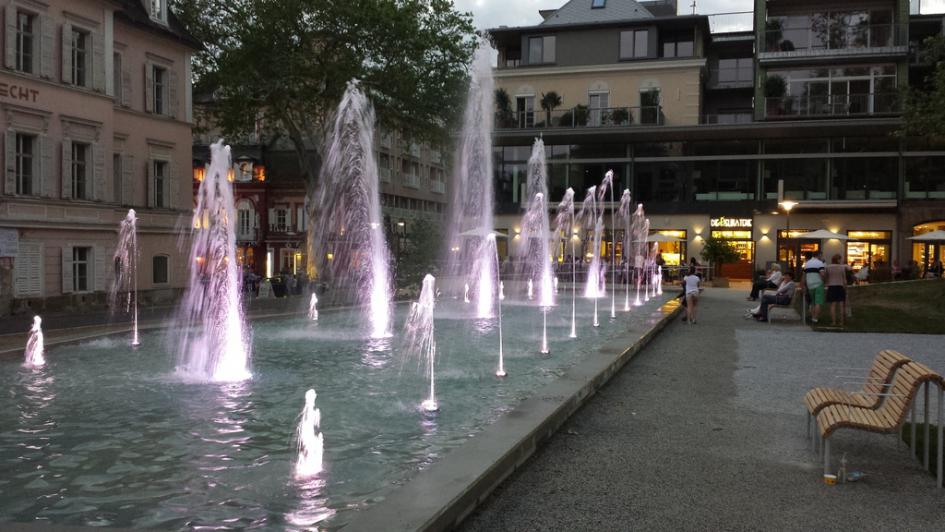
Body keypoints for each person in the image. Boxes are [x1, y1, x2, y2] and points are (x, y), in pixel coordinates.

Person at [825, 254, 851, 327]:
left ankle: (833, 322)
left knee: (833, 305)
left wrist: (826, 283)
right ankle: (841, 322)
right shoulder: (842, 267)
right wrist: (845, 287)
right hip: (840, 286)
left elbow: (826, 277)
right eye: (840, 259)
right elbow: (844, 279)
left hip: (831, 287)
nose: (841, 260)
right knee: (841, 305)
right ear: (838, 260)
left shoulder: (828, 267)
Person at [801, 251, 826, 323]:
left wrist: (803, 285)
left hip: (810, 285)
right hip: (818, 284)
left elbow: (804, 276)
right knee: (818, 302)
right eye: (821, 256)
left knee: (812, 302)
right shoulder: (819, 263)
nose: (822, 257)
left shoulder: (807, 263)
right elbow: (822, 274)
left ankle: (812, 317)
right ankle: (815, 318)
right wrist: (824, 281)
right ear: (819, 255)